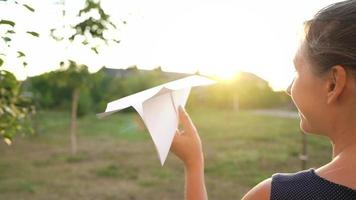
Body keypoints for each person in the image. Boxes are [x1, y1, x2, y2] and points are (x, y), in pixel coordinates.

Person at [170, 0, 356, 199]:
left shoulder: (276, 195)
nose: (287, 88)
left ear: (333, 84)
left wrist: (193, 163)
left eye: (297, 71)